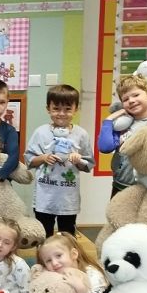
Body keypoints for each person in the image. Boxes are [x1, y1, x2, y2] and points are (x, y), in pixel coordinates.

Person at [24, 84, 95, 237]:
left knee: (68, 235)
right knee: (44, 235)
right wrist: (43, 158)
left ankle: (68, 260)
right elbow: (29, 160)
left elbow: (88, 165)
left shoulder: (81, 134)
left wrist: (78, 160)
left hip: (68, 199)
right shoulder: (40, 133)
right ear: (48, 109)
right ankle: (43, 260)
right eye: (56, 108)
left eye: (68, 109)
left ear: (76, 109)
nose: (61, 114)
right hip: (44, 199)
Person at [98, 74, 147, 198]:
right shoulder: (121, 125)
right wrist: (109, 120)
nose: (131, 100)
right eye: (125, 99)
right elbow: (105, 147)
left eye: (136, 95)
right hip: (120, 185)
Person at [35, 232, 106, 293]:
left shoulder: (92, 274)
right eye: (48, 260)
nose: (54, 263)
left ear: (74, 254)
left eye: (59, 256)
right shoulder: (51, 275)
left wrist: (81, 289)